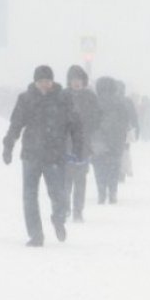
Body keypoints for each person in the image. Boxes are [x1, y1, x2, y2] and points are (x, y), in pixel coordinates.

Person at [3, 65, 83, 246]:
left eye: (47, 81)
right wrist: (8, 145)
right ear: (35, 82)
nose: (44, 85)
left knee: (58, 194)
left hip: (55, 155)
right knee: (29, 196)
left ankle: (58, 218)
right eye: (41, 81)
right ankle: (36, 235)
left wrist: (78, 147)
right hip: (31, 155)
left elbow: (75, 125)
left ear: (52, 81)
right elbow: (16, 124)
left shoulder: (63, 99)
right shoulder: (25, 99)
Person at [62, 65, 99, 222]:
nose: (76, 83)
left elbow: (96, 118)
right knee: (65, 179)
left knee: (80, 179)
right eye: (73, 80)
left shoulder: (90, 97)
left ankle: (78, 211)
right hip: (65, 144)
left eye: (79, 80)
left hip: (83, 144)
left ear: (83, 81)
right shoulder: (62, 96)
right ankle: (64, 209)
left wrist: (87, 129)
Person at [92, 77, 131, 204]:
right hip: (116, 140)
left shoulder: (94, 102)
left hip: (98, 141)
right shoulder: (119, 103)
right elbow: (125, 122)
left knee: (99, 167)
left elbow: (89, 121)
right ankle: (112, 192)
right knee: (113, 168)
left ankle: (101, 192)